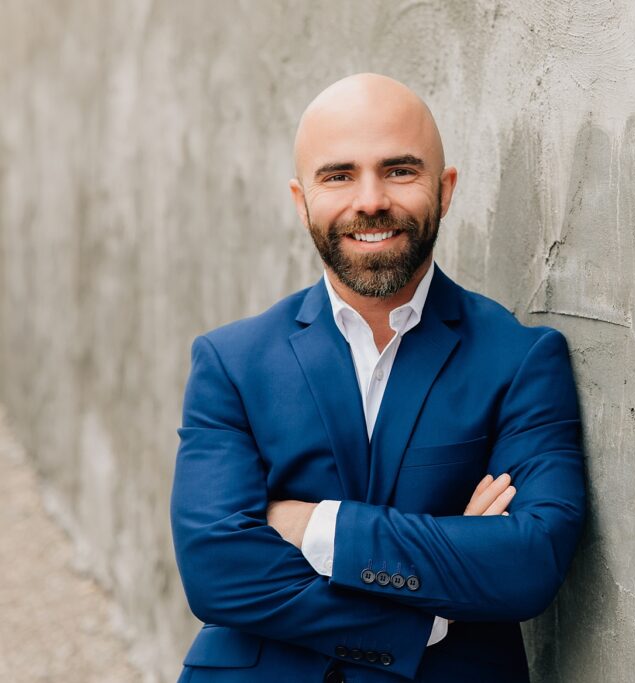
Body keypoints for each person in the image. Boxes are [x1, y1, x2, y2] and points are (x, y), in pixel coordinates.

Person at [169, 73, 586, 683]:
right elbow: (215, 572)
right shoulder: (232, 362)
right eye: (338, 175)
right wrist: (432, 605)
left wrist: (315, 524)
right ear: (300, 199)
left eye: (399, 170)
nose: (369, 200)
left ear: (445, 191)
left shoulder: (521, 360)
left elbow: (528, 563)